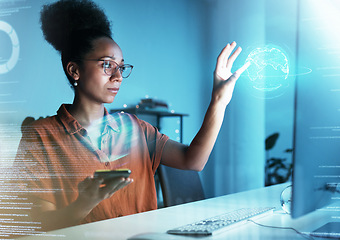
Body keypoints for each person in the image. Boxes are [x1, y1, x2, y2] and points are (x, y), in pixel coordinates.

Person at [14, 0, 250, 232]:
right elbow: (35, 225)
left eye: (122, 67)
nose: (118, 76)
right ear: (74, 70)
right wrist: (83, 203)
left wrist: (219, 100)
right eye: (107, 65)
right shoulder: (39, 138)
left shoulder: (135, 128)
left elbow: (194, 160)